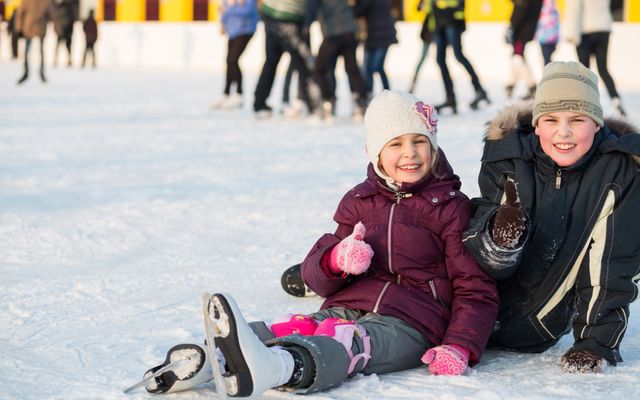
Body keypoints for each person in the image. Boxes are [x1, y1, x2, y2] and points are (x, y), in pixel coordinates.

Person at [138, 90, 499, 396]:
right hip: (350, 303)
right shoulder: (358, 202)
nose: (411, 153)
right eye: (397, 143)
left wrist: (460, 346)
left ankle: (282, 366)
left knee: (351, 342)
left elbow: (474, 288)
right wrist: (337, 260)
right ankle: (210, 357)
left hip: (412, 323)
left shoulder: (451, 208)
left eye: (420, 141)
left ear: (434, 147)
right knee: (303, 324)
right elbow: (316, 277)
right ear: (376, 152)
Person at [462, 61, 640, 373]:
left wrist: (595, 344)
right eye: (551, 119)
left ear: (597, 123)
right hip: (474, 321)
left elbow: (613, 264)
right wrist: (498, 240)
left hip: (540, 329)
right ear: (536, 124)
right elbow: (473, 248)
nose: (564, 131)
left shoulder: (618, 173)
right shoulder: (508, 157)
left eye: (578, 119)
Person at [252, 0, 318, 119]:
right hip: (290, 17)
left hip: (271, 14)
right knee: (303, 64)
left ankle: (259, 103)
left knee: (271, 61)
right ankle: (314, 106)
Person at [565, 0, 627, 117]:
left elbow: (574, 9)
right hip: (603, 29)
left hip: (586, 31)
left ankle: (585, 103)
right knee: (603, 68)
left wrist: (571, 33)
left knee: (584, 71)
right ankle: (616, 99)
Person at [309, 0, 369, 120]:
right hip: (349, 32)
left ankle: (328, 101)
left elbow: (312, 8)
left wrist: (306, 25)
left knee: (320, 69)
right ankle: (361, 100)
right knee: (351, 68)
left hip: (333, 33)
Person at [431, 0, 490, 113]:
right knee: (440, 60)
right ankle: (450, 98)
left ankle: (479, 89)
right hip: (439, 22)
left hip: (452, 20)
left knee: (458, 55)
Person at [211, 0, 258, 110]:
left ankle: (239, 94)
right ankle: (226, 93)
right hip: (232, 31)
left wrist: (231, 7)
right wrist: (223, 23)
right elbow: (223, 10)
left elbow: (248, 11)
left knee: (233, 60)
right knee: (228, 61)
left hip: (245, 30)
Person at [352, 0, 398, 97]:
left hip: (377, 35)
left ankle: (369, 93)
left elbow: (358, 11)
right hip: (382, 34)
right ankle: (387, 92)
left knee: (371, 68)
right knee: (378, 67)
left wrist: (353, 4)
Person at [505, 0, 542, 100]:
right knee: (517, 56)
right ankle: (511, 84)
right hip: (525, 29)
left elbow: (521, 8)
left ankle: (532, 86)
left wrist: (512, 27)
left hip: (522, 31)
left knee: (517, 57)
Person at [15, 0, 55, 84]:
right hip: (37, 29)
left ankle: (27, 71)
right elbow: (53, 15)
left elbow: (20, 13)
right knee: (39, 51)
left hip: (28, 28)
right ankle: (40, 72)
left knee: (28, 51)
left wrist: (18, 28)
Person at [408, 0, 434, 94]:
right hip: (429, 32)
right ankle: (413, 83)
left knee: (441, 60)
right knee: (423, 59)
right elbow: (418, 8)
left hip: (437, 31)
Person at [535, 0, 559, 65]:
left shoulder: (543, 8)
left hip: (545, 37)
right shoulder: (554, 8)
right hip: (551, 36)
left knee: (547, 58)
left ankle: (548, 72)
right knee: (548, 57)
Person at [52, 0, 74, 67]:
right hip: (63, 30)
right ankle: (57, 59)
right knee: (64, 46)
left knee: (65, 46)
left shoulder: (64, 8)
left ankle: (66, 59)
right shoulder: (67, 8)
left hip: (64, 30)